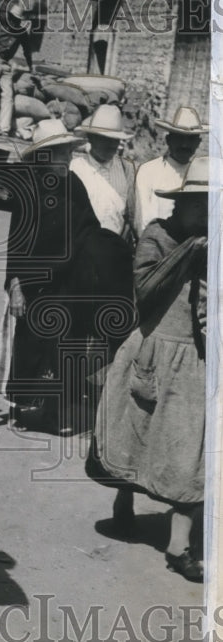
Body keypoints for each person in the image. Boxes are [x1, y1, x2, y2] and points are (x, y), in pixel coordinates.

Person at [88, 154, 209, 582]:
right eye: (202, 204)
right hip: (153, 352)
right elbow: (146, 292)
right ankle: (124, 506)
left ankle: (180, 546)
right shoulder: (157, 236)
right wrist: (190, 254)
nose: (208, 213)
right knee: (135, 437)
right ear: (184, 203)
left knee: (190, 449)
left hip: (195, 359)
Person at [0, 119, 132, 436]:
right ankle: (26, 408)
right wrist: (15, 284)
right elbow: (17, 239)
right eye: (61, 154)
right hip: (35, 281)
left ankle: (55, 412)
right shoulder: (28, 188)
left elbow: (89, 228)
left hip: (69, 280)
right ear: (44, 156)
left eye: (69, 153)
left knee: (63, 345)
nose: (68, 160)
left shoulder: (73, 184)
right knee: (31, 342)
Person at [133, 106, 208, 236]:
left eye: (191, 139)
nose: (185, 145)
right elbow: (142, 219)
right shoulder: (149, 171)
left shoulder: (202, 175)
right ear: (168, 140)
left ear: (198, 143)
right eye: (179, 138)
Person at [71, 104, 136, 242]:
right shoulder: (76, 169)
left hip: (115, 246)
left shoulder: (126, 169)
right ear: (91, 138)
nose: (112, 145)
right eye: (105, 139)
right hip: (82, 245)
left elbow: (131, 213)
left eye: (115, 139)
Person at [0, 0, 34, 136]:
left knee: (8, 95)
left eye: (17, 20)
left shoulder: (22, 33)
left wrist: (31, 66)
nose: (14, 22)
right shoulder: (0, 29)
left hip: (6, 64)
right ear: (9, 18)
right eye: (13, 19)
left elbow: (27, 50)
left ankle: (4, 128)